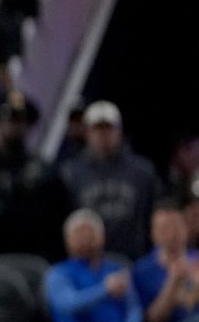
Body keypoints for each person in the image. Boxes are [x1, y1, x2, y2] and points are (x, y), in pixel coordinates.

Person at [0, 93, 69, 263]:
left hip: (36, 260)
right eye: (7, 120)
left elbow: (61, 217)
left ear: (28, 126)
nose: (12, 127)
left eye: (18, 121)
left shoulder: (46, 172)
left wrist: (52, 258)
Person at [59, 101, 161, 259]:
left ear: (119, 130)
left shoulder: (142, 172)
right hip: (87, 263)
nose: (103, 135)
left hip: (133, 259)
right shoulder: (70, 173)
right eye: (97, 129)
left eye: (108, 128)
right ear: (87, 132)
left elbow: (153, 217)